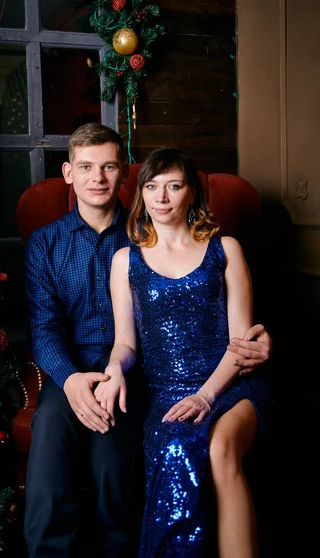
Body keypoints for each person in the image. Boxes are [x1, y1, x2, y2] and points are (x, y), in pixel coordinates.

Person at [23, 124, 272, 558]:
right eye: (85, 167)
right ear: (68, 174)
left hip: (144, 373)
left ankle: (119, 549)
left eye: (108, 167)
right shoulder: (48, 244)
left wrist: (260, 341)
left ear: (123, 176)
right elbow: (45, 328)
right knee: (48, 426)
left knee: (113, 448)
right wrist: (71, 379)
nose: (97, 177)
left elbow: (229, 324)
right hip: (81, 366)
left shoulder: (146, 235)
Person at [94, 147, 272, 558]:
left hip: (232, 385)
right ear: (141, 194)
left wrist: (206, 395)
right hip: (167, 394)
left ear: (191, 193)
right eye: (152, 187)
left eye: (174, 186)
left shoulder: (225, 249)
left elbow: (242, 344)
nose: (162, 197)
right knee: (175, 445)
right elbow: (125, 344)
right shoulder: (125, 260)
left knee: (220, 449)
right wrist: (114, 369)